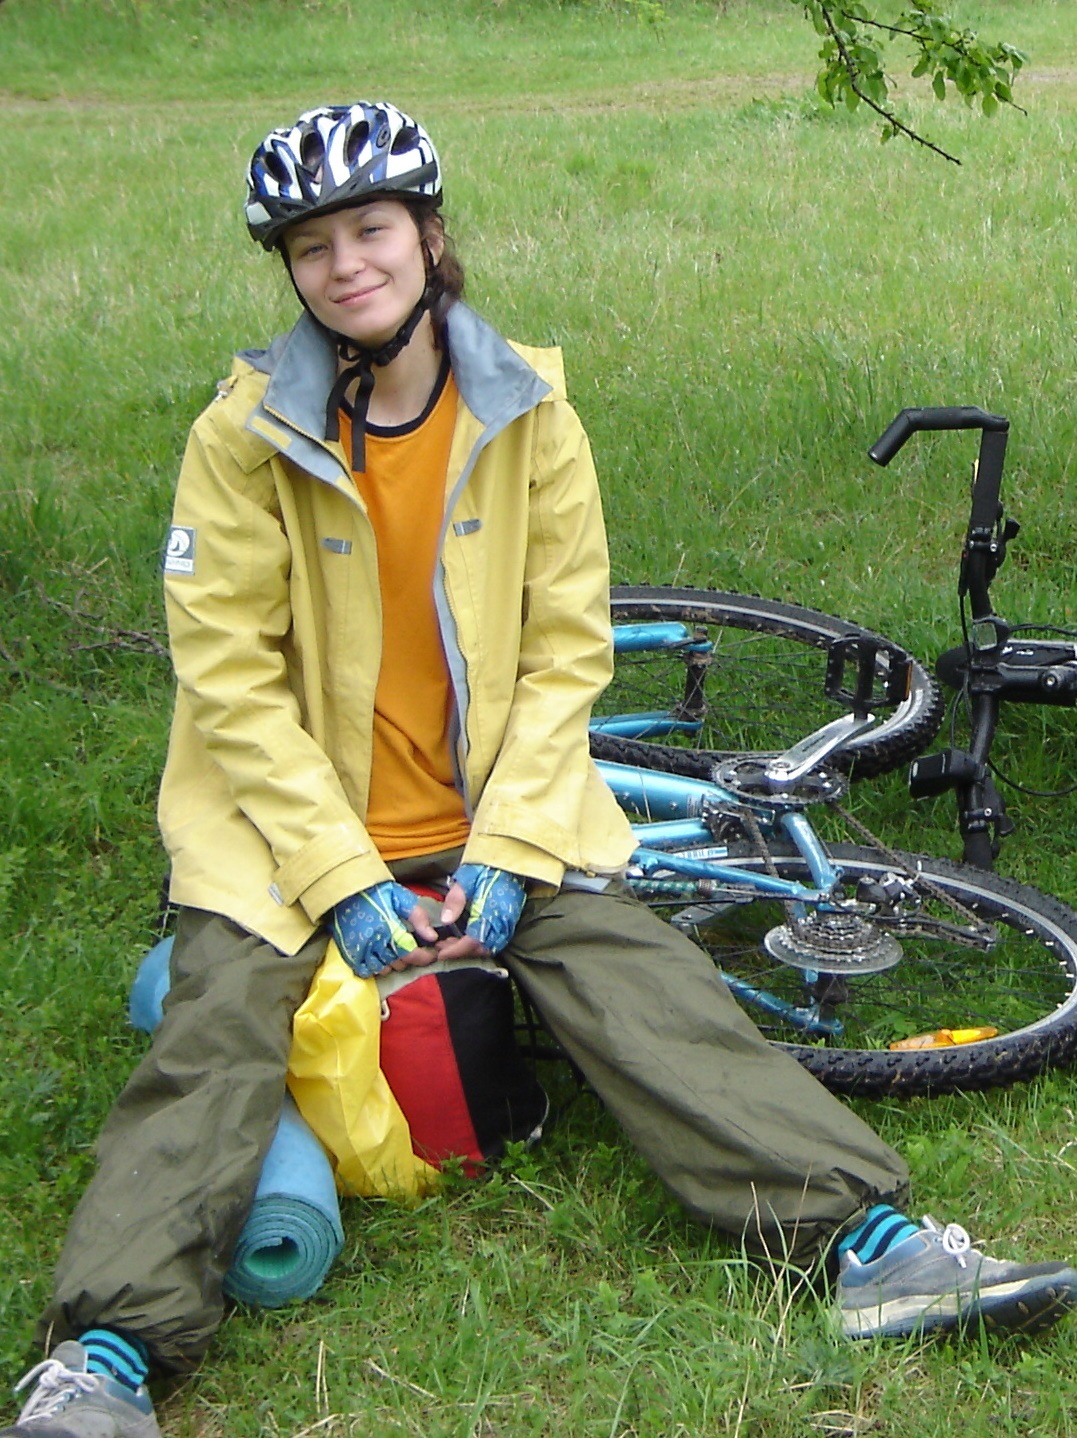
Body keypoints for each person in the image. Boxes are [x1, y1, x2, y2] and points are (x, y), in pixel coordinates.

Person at [4, 100, 1075, 1438]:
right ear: (289, 268)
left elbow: (566, 657)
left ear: (428, 234)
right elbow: (229, 685)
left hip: (493, 810)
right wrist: (341, 877)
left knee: (649, 986)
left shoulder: (529, 412)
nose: (345, 264)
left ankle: (872, 1247)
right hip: (285, 830)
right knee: (214, 1034)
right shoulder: (241, 437)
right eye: (312, 245)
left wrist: (510, 856)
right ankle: (103, 1360)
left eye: (371, 229)